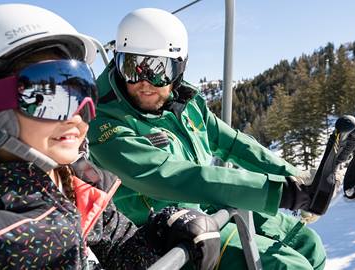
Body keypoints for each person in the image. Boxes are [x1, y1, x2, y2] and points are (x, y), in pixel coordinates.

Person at [0, 4, 221, 269]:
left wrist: (162, 228)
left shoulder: (74, 182)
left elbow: (122, 250)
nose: (80, 112)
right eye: (50, 94)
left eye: (83, 90)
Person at [88, 8, 329, 270]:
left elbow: (232, 142)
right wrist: (278, 192)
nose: (144, 83)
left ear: (180, 67)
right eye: (131, 68)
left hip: (208, 207)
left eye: (158, 70)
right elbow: (167, 174)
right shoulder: (104, 121)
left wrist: (296, 178)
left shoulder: (184, 102)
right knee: (285, 266)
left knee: (309, 245)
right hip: (164, 230)